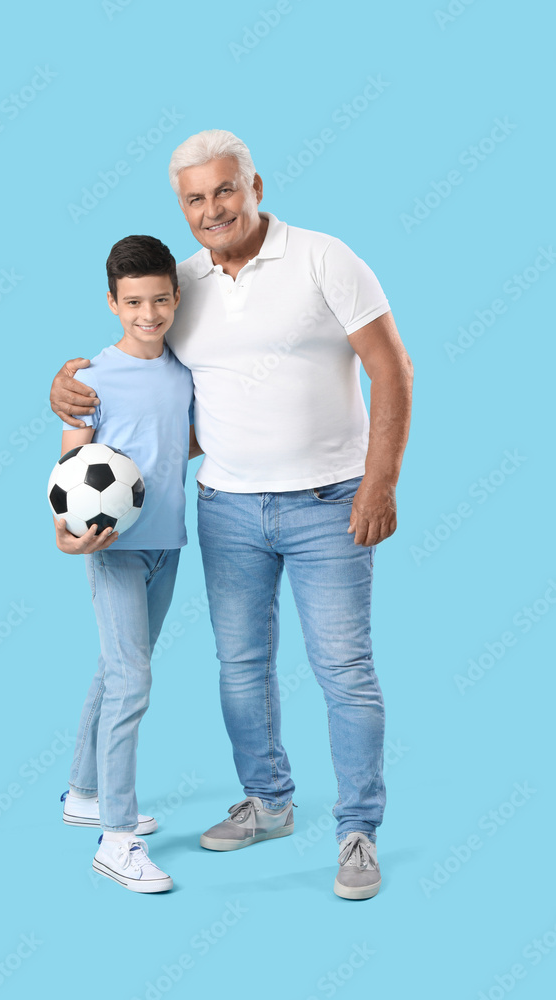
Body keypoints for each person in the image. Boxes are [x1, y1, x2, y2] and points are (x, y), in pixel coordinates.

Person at [49, 130, 413, 900]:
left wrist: (378, 484)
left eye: (223, 190)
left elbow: (391, 367)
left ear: (253, 185)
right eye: (193, 198)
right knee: (241, 671)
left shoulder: (324, 259)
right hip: (224, 510)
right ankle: (269, 802)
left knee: (343, 672)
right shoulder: (179, 288)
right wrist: (68, 396)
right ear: (180, 208)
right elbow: (140, 380)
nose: (211, 208)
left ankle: (357, 833)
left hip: (329, 505)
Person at [54, 234, 199, 893]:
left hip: (167, 547)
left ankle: (84, 794)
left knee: (115, 674)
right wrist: (64, 530)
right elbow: (70, 469)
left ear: (175, 298)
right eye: (134, 301)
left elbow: (180, 446)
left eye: (160, 300)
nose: (149, 314)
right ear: (112, 303)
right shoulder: (88, 378)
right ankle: (116, 840)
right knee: (131, 682)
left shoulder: (184, 373)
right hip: (113, 549)